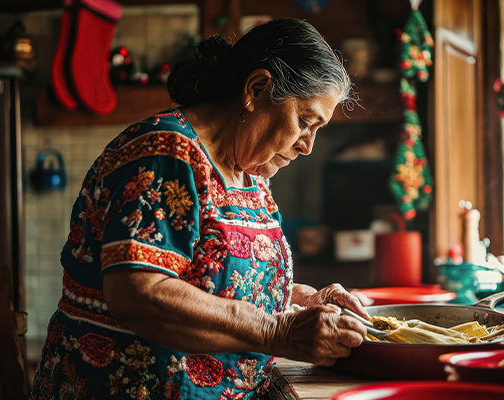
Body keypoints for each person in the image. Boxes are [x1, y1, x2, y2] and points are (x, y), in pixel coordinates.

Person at [31, 18, 370, 400]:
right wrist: (278, 333)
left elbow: (215, 281)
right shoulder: (165, 152)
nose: (307, 146)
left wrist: (303, 298)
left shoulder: (249, 174)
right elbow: (136, 291)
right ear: (256, 89)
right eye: (305, 122)